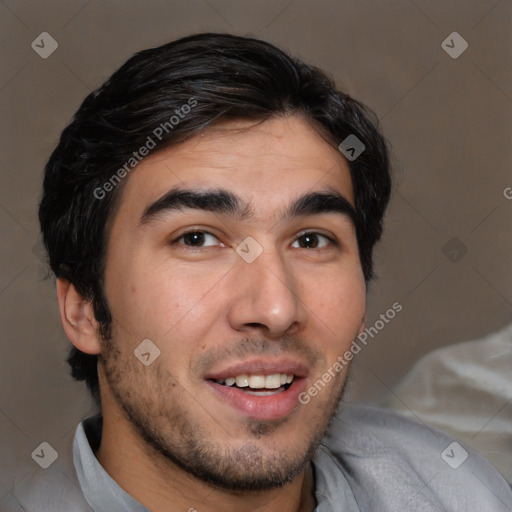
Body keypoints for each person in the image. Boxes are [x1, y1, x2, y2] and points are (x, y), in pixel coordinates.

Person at [13, 33, 510, 511]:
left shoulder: (455, 490)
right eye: (197, 239)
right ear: (83, 309)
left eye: (311, 240)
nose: (275, 308)